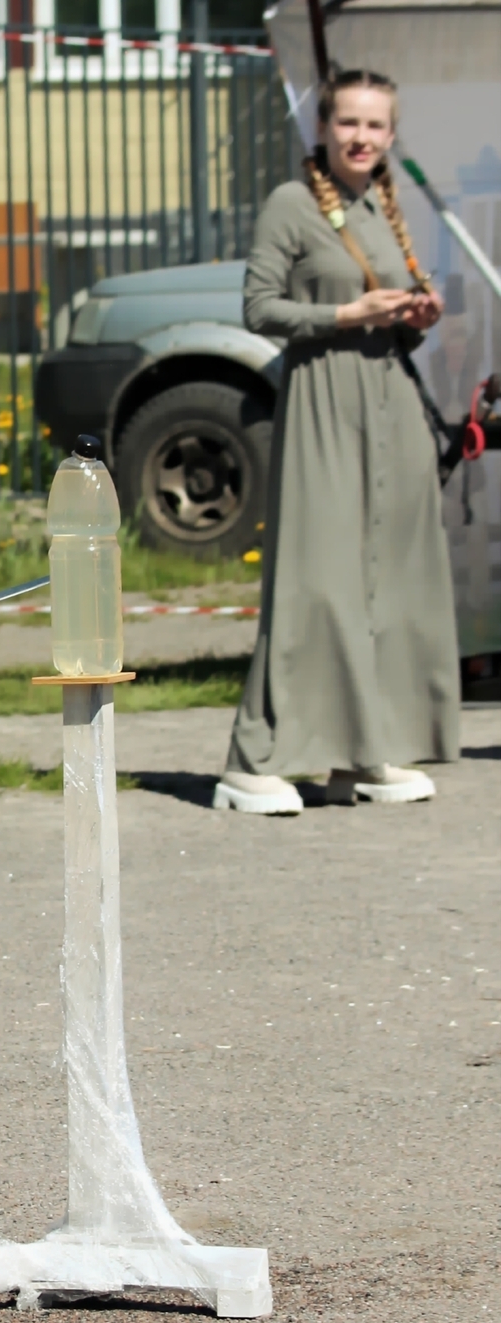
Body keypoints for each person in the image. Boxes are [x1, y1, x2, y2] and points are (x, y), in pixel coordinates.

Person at [215, 68, 459, 816]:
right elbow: (258, 308)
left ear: (391, 135)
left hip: (390, 401)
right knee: (315, 581)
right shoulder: (290, 204)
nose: (361, 137)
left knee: (389, 581)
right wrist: (348, 314)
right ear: (321, 128)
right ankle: (252, 760)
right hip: (323, 398)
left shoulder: (382, 205)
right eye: (348, 122)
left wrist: (413, 318)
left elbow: (383, 314)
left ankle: (364, 750)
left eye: (375, 125)